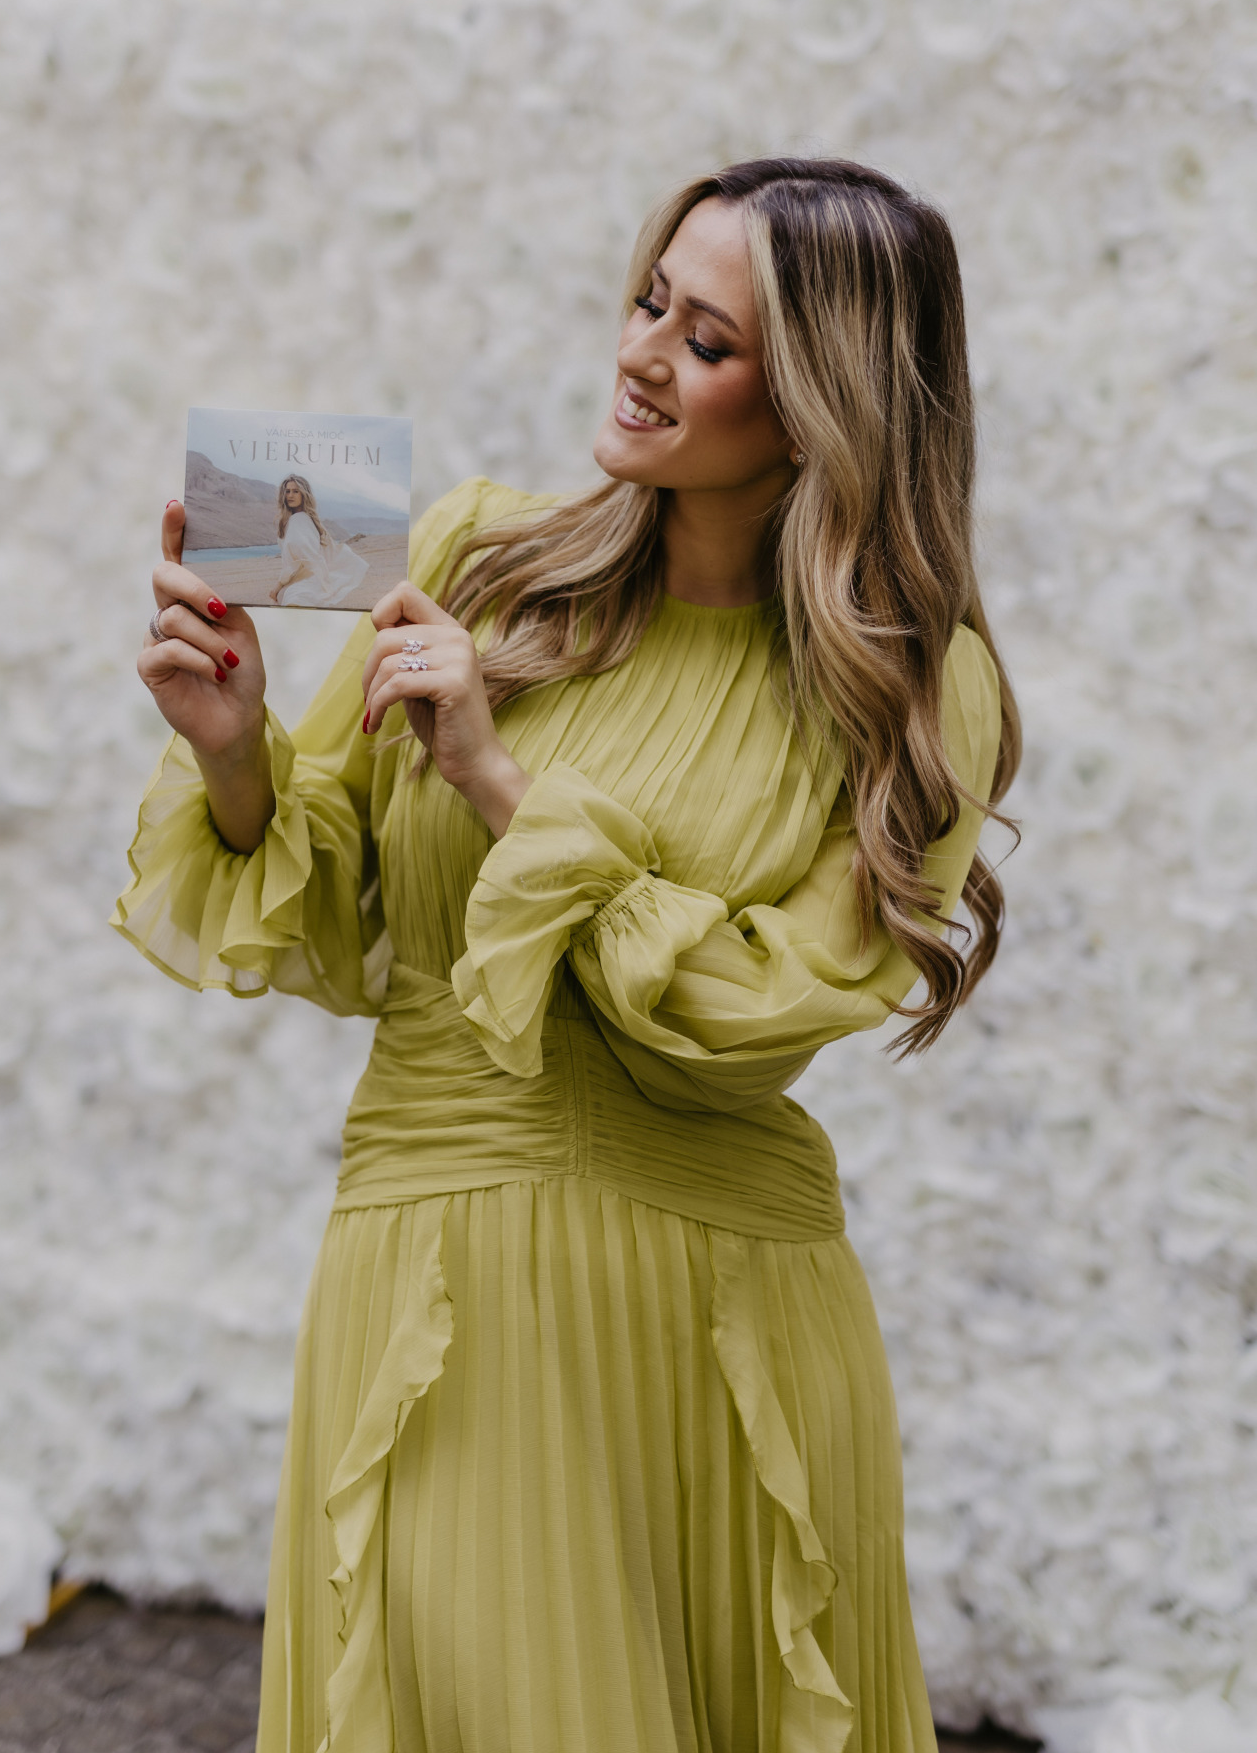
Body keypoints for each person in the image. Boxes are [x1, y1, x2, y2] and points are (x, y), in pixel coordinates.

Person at [115, 156, 1019, 1753]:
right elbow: (335, 923)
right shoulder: (479, 557)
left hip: (715, 1313)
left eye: (708, 340)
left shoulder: (913, 684)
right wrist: (238, 748)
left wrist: (498, 777)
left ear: (823, 405)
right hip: (427, 1265)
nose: (642, 352)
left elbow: (757, 1013)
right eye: (649, 301)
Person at [269, 473, 369, 607]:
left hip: (306, 581)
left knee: (288, 600)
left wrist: (279, 584)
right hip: (310, 579)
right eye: (287, 491)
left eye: (296, 491)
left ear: (304, 494)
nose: (290, 495)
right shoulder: (306, 519)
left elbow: (300, 560)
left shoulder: (298, 520)